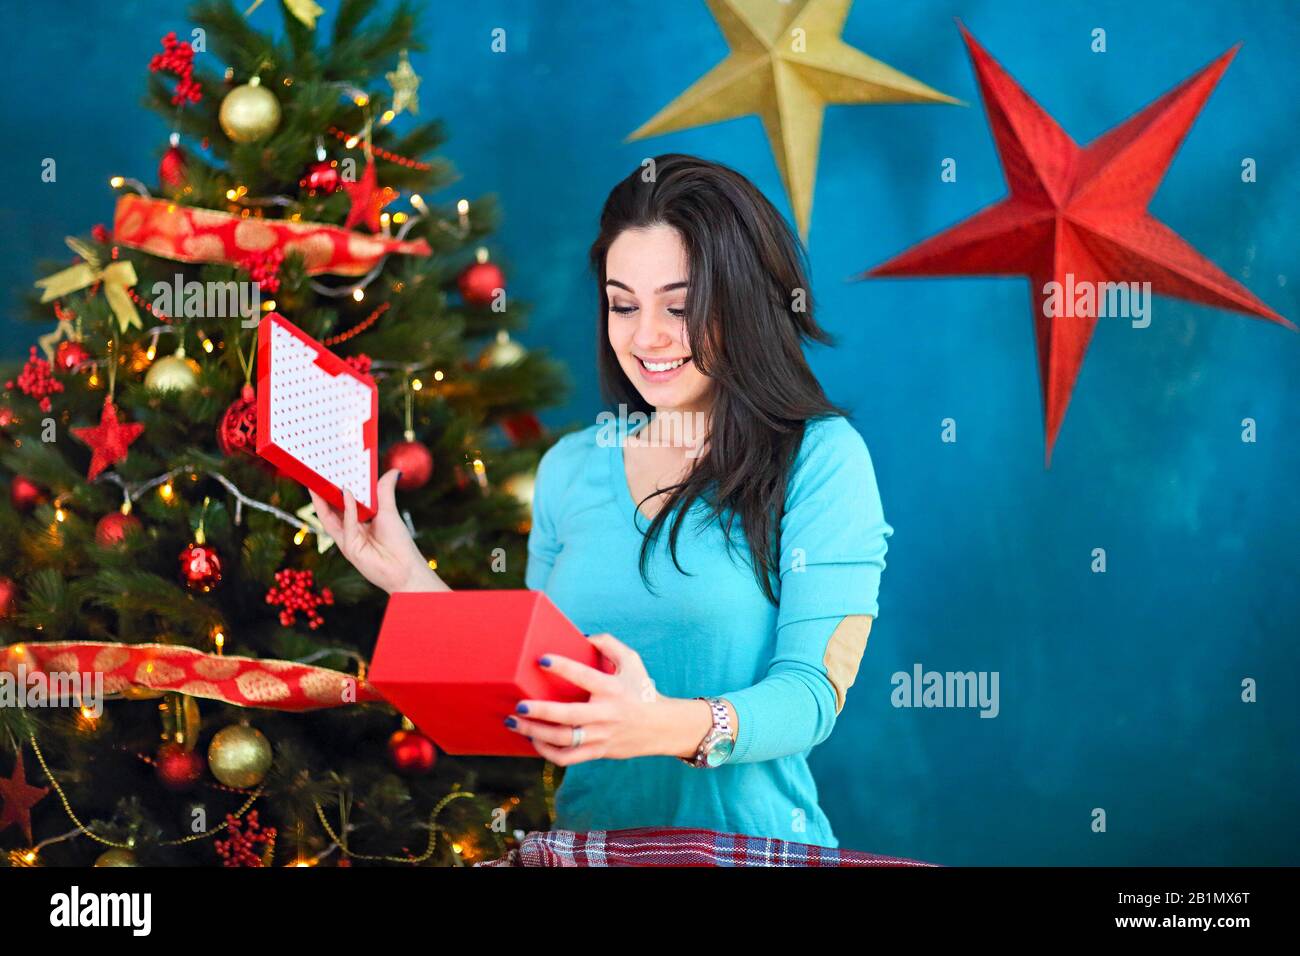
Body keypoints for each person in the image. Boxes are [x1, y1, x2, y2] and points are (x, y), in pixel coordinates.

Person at [312, 153, 892, 849]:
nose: (646, 336)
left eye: (680, 306)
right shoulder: (569, 468)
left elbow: (810, 697)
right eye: (624, 304)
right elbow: (536, 686)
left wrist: (660, 724)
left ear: (744, 302)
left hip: (754, 851)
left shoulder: (821, 459)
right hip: (587, 851)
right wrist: (409, 578)